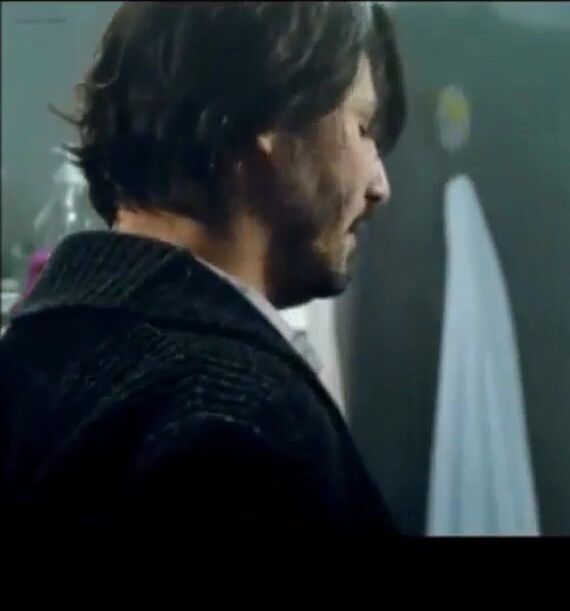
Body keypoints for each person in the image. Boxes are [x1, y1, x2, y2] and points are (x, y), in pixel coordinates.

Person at [0, 2, 406, 535]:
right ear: (275, 115)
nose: (379, 185)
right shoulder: (247, 423)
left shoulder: (29, 356)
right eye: (363, 127)